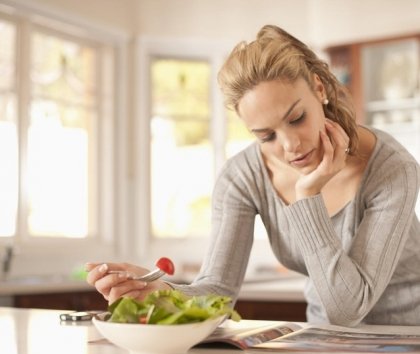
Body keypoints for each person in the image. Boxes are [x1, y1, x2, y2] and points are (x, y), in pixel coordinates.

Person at [86, 25, 420, 326]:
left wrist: (308, 197)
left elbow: (348, 309)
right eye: (267, 136)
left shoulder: (391, 168)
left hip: (407, 336)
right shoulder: (242, 177)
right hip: (324, 340)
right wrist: (159, 291)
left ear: (319, 89)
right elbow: (217, 292)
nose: (290, 146)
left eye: (297, 118)